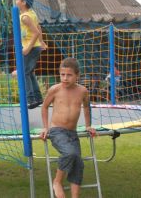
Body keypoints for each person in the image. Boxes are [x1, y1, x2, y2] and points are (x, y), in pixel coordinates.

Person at [40, 58, 96, 198]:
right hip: (57, 131)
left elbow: (87, 108)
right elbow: (45, 107)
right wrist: (46, 127)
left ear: (77, 75)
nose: (65, 78)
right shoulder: (55, 89)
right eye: (62, 74)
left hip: (72, 133)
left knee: (78, 162)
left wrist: (88, 125)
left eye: (69, 75)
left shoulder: (83, 91)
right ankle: (57, 182)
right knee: (70, 154)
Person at [15, 0, 47, 109]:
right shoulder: (32, 13)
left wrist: (28, 48)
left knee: (23, 73)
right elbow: (38, 27)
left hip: (31, 48)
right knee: (29, 72)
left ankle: (31, 99)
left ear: (23, 2)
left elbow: (35, 32)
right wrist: (42, 41)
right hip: (35, 46)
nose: (15, 2)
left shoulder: (25, 17)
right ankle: (38, 97)